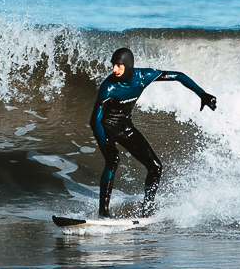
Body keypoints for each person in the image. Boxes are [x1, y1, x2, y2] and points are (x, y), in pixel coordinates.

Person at [90, 47, 216, 217]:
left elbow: (178, 76)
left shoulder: (144, 77)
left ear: (128, 65)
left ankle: (147, 208)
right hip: (106, 128)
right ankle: (103, 212)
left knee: (156, 167)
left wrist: (203, 94)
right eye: (113, 65)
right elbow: (95, 120)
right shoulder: (108, 87)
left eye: (119, 66)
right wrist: (105, 144)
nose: (114, 69)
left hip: (126, 127)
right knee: (112, 160)